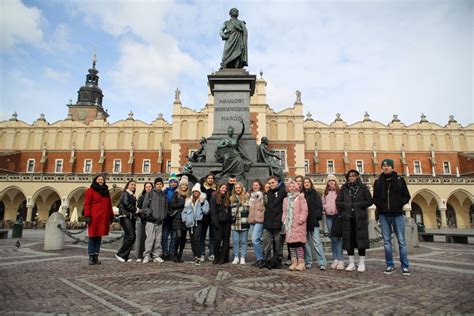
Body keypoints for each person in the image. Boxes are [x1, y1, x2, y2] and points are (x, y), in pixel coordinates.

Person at [373, 158, 411, 276]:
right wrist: (381, 206)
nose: (386, 167)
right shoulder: (378, 182)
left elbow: (406, 196)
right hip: (384, 215)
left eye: (388, 165)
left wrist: (399, 204)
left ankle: (405, 266)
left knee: (401, 242)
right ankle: (390, 265)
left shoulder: (400, 180)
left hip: (397, 214)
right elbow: (375, 198)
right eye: (384, 166)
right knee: (387, 242)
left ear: (392, 167)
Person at [336, 170, 372, 272]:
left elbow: (369, 200)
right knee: (349, 240)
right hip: (348, 218)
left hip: (360, 217)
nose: (352, 177)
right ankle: (351, 263)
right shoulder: (344, 188)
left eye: (354, 176)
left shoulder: (363, 187)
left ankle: (361, 263)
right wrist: (347, 206)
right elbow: (338, 201)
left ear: (357, 177)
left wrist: (358, 205)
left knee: (361, 240)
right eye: (350, 176)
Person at [83, 175, 114, 265]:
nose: (100, 181)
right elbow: (87, 204)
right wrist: (87, 216)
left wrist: (111, 216)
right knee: (92, 236)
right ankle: (91, 256)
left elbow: (109, 205)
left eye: (102, 179)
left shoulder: (106, 191)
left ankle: (96, 256)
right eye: (99, 179)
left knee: (99, 237)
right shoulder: (90, 190)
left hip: (103, 218)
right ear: (95, 180)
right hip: (94, 217)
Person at [283, 180, 308, 271]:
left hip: (298, 224)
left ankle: (301, 262)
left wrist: (301, 219)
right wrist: (284, 220)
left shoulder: (300, 197)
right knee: (291, 245)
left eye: (293, 186)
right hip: (289, 225)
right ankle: (294, 262)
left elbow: (304, 210)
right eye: (290, 186)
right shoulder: (286, 199)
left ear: (296, 187)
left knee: (298, 244)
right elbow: (284, 212)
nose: (292, 188)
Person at [262, 175, 287, 269]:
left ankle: (278, 260)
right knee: (266, 241)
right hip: (268, 221)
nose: (271, 184)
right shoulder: (268, 193)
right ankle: (267, 259)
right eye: (270, 183)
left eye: (273, 182)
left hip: (278, 221)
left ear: (277, 182)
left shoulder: (282, 191)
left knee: (278, 243)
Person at [182, 183, 209, 265]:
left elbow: (206, 211)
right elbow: (184, 211)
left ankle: (199, 256)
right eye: (194, 192)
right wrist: (185, 219)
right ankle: (195, 256)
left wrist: (202, 203)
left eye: (197, 191)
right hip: (190, 223)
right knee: (192, 240)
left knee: (196, 239)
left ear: (199, 192)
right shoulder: (189, 201)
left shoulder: (203, 201)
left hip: (198, 222)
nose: (195, 193)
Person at [302, 177, 327, 270]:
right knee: (306, 242)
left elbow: (319, 206)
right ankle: (308, 261)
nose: (306, 184)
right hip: (304, 222)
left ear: (311, 184)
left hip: (313, 221)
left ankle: (322, 262)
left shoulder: (315, 194)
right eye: (305, 182)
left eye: (308, 182)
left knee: (317, 242)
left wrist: (316, 216)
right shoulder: (302, 194)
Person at [142, 177, 168, 264]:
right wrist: (151, 214)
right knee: (150, 239)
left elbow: (166, 207)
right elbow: (145, 206)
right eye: (157, 184)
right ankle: (147, 255)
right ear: (155, 185)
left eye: (160, 184)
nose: (159, 185)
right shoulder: (150, 194)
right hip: (151, 220)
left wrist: (163, 216)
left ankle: (156, 255)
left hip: (160, 220)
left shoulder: (164, 195)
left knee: (158, 239)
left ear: (162, 185)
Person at [322, 175, 344, 270]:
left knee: (338, 238)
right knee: (332, 238)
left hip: (337, 217)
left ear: (336, 182)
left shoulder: (339, 192)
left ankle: (340, 259)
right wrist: (324, 208)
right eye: (329, 181)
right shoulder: (325, 193)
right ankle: (335, 258)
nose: (331, 182)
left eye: (333, 181)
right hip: (329, 217)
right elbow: (322, 203)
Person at [115, 180, 137, 262]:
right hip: (125, 217)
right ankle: (120, 254)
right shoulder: (125, 194)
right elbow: (126, 204)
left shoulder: (132, 195)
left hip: (130, 217)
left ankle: (125, 256)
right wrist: (137, 210)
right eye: (132, 184)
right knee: (131, 236)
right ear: (127, 186)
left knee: (128, 236)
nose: (133, 186)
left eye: (134, 185)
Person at [210, 183, 231, 264]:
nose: (224, 189)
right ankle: (216, 256)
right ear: (219, 188)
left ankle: (222, 257)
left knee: (226, 241)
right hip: (217, 222)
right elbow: (213, 211)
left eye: (225, 188)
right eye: (223, 188)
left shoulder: (228, 198)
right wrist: (215, 222)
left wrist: (229, 218)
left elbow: (230, 210)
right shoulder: (214, 198)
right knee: (217, 240)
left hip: (226, 222)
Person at [170, 176, 190, 263]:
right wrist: (183, 203)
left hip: (186, 219)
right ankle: (174, 253)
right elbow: (173, 205)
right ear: (180, 185)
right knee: (178, 236)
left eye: (185, 185)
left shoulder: (189, 195)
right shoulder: (176, 193)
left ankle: (180, 255)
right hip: (177, 218)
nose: (184, 187)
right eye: (183, 185)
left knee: (183, 239)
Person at [230, 182, 250, 265]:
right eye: (236, 188)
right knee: (235, 241)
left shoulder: (246, 197)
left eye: (239, 188)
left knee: (244, 241)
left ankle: (242, 257)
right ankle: (236, 257)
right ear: (234, 189)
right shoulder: (231, 198)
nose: (238, 189)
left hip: (244, 221)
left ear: (242, 189)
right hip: (235, 223)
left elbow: (249, 208)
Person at [248, 179, 266, 268]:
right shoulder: (251, 197)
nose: (255, 186)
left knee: (255, 239)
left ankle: (261, 259)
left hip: (259, 220)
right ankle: (260, 259)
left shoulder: (262, 196)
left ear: (260, 186)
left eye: (256, 185)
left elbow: (265, 208)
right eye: (253, 185)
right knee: (256, 240)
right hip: (252, 220)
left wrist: (262, 215)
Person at [200, 173, 217, 262]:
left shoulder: (216, 189)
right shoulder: (201, 188)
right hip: (203, 215)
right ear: (206, 179)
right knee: (202, 236)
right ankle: (202, 253)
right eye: (209, 178)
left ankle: (211, 253)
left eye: (212, 178)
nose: (210, 180)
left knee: (212, 236)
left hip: (213, 215)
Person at [135, 182, 153, 262]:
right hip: (144, 220)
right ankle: (140, 255)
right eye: (147, 187)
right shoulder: (142, 197)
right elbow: (138, 209)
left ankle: (150, 255)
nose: (148, 188)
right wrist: (142, 216)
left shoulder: (154, 197)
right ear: (144, 188)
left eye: (150, 187)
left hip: (153, 220)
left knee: (152, 238)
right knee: (143, 238)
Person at [162, 173, 178, 260]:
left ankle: (172, 252)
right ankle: (165, 251)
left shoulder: (178, 191)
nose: (173, 183)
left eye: (175, 182)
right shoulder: (165, 191)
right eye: (172, 182)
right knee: (165, 235)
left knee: (174, 236)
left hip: (175, 217)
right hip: (167, 217)